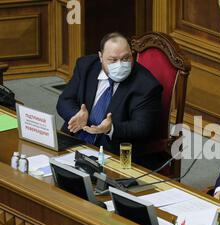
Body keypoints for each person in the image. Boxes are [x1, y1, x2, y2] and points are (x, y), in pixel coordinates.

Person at [57, 32, 162, 166]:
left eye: (126, 58)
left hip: (114, 151)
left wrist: (111, 128)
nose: (120, 65)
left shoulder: (146, 85)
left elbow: (142, 126)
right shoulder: (85, 66)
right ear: (100, 57)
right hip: (75, 139)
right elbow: (64, 100)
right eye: (113, 60)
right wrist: (76, 113)